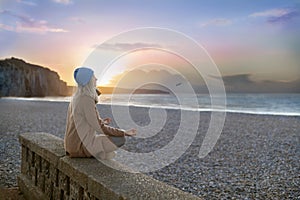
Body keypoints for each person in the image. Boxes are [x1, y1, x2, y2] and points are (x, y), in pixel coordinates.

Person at [64, 67, 136, 159]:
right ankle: (97, 154)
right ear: (89, 80)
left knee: (110, 154)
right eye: (93, 77)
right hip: (80, 147)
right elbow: (99, 128)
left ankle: (100, 154)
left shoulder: (77, 97)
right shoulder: (86, 99)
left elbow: (82, 120)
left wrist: (101, 121)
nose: (96, 79)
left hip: (71, 145)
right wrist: (124, 132)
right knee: (120, 139)